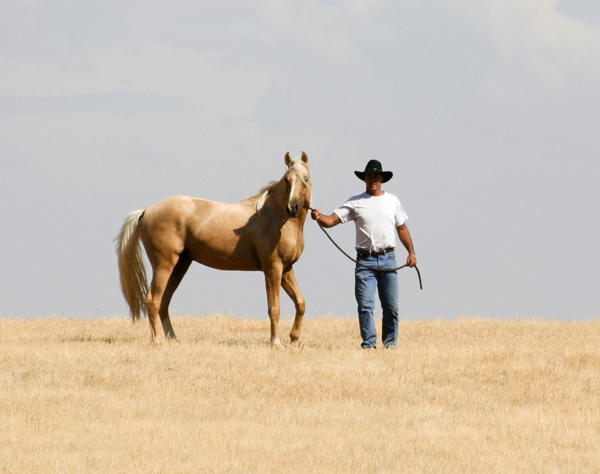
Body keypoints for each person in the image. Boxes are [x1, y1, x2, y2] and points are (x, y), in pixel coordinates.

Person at [311, 160, 417, 349]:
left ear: (382, 178)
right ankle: (369, 345)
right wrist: (320, 217)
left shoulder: (392, 201)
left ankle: (390, 344)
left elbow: (402, 228)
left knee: (391, 307)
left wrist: (411, 253)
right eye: (370, 176)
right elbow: (331, 220)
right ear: (365, 178)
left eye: (376, 176)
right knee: (366, 307)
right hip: (364, 261)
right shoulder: (355, 202)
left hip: (389, 260)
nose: (373, 179)